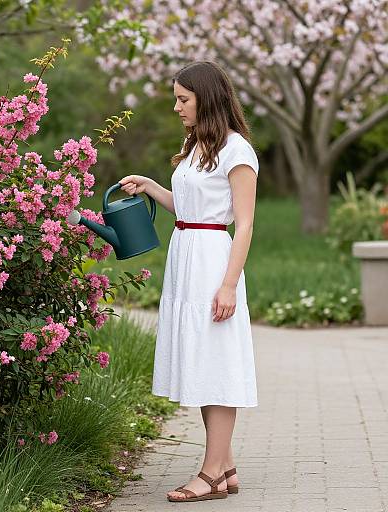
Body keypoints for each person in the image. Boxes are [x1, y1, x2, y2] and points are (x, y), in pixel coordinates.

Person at [118, 60, 259, 503]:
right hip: (186, 258)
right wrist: (151, 186)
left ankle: (212, 472)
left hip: (214, 261)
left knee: (216, 364)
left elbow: (245, 223)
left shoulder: (238, 152)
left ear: (207, 99)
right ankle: (227, 464)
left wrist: (229, 285)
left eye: (183, 99)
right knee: (202, 362)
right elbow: (188, 204)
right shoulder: (197, 144)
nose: (176, 106)